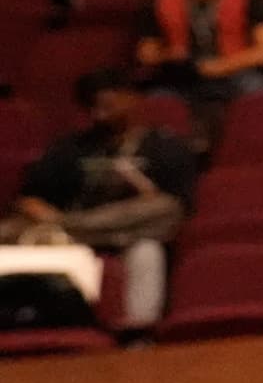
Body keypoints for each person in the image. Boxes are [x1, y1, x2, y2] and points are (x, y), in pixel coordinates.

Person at [14, 73, 199, 325]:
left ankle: (138, 331)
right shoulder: (70, 147)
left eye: (108, 105)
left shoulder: (164, 147)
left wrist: (63, 223)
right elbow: (30, 199)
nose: (100, 114)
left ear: (132, 99)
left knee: (149, 248)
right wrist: (52, 219)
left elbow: (174, 208)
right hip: (70, 239)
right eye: (93, 107)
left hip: (133, 232)